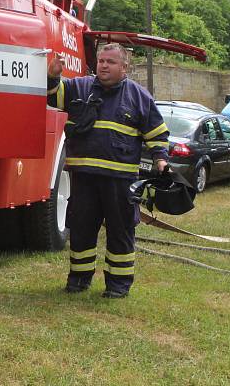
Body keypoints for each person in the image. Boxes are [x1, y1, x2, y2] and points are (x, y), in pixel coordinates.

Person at [48, 44, 169, 298]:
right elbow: (52, 96)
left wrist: (161, 159)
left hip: (120, 181)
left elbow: (156, 132)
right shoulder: (79, 87)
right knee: (81, 229)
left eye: (111, 62)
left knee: (121, 231)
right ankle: (78, 280)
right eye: (101, 60)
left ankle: (118, 285)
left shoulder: (139, 96)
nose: (104, 65)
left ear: (124, 68)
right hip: (84, 178)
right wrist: (53, 75)